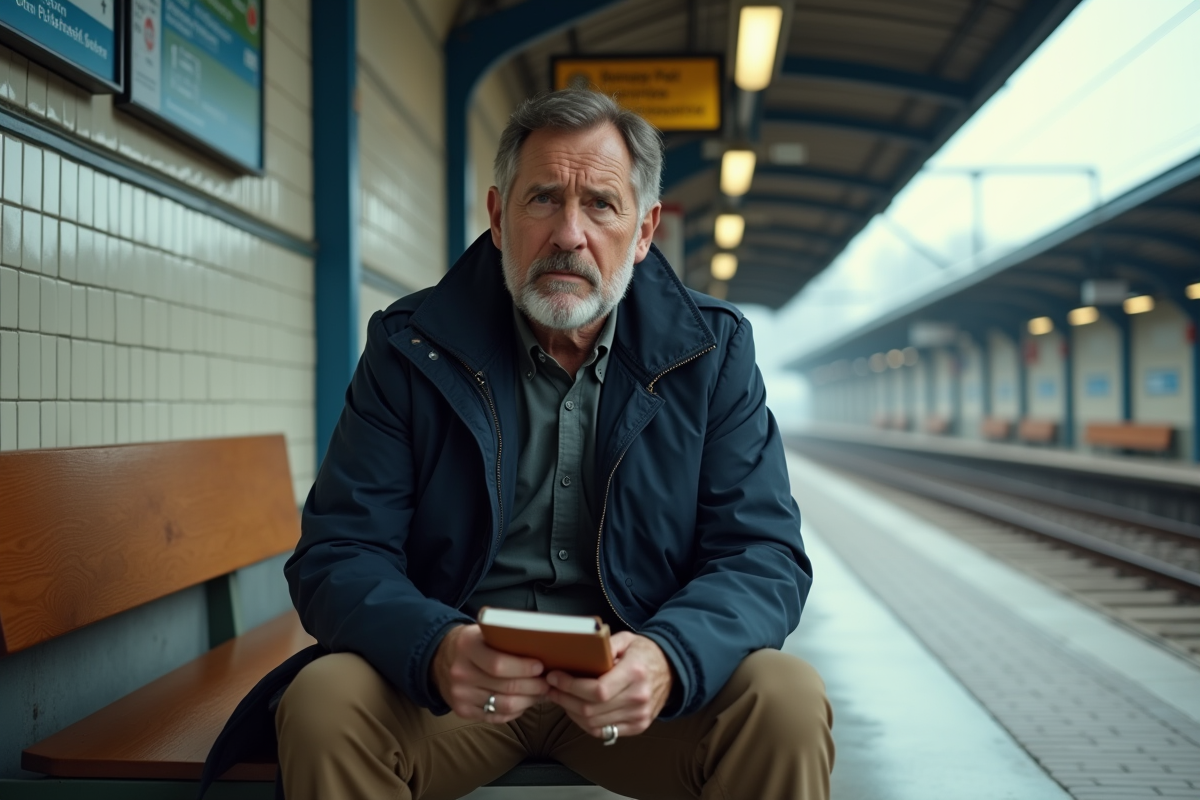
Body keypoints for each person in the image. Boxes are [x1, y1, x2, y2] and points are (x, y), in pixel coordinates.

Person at [269, 89, 832, 799]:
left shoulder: (711, 353)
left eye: (600, 204)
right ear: (500, 217)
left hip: (637, 693)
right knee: (326, 702)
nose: (569, 233)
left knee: (783, 698)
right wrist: (436, 649)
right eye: (543, 200)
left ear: (645, 228)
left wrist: (669, 657)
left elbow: (762, 554)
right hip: (460, 688)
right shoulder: (410, 346)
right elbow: (339, 552)